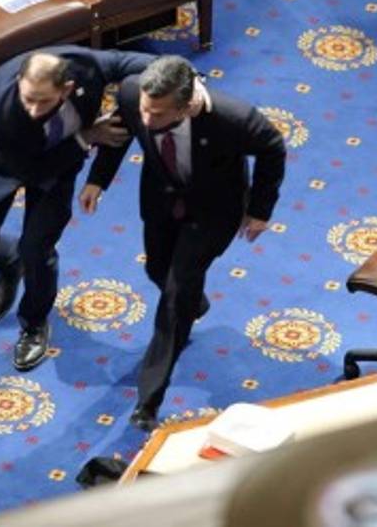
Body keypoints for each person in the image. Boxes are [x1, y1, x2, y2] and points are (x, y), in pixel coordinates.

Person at [80, 56, 286, 432]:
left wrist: (260, 209)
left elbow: (273, 147)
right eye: (145, 108)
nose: (147, 119)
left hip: (213, 213)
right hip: (160, 200)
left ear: (187, 105)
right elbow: (120, 132)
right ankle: (195, 302)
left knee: (174, 296)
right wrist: (98, 178)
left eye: (157, 114)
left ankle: (148, 400)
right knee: (156, 268)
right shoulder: (132, 94)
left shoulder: (233, 118)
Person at [0, 46, 155, 371]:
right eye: (28, 98)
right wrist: (85, 138)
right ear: (19, 82)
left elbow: (130, 63)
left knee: (38, 248)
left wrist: (185, 80)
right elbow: (32, 170)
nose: (34, 109)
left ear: (66, 89)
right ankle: (9, 262)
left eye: (44, 101)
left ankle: (33, 324)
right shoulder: (2, 113)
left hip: (58, 165)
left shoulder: (85, 68)